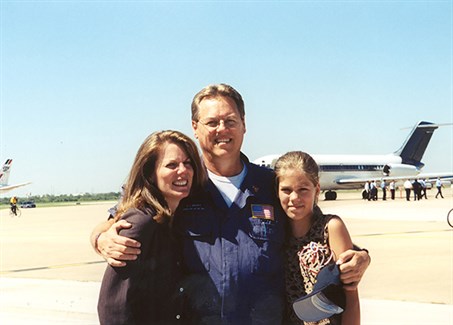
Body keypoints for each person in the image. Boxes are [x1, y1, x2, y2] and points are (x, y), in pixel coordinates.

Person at [91, 84, 370, 324]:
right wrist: (101, 237)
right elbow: (126, 215)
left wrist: (359, 256)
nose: (222, 129)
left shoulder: (271, 186)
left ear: (244, 124)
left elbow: (315, 230)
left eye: (230, 121)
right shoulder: (181, 186)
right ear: (195, 128)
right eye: (212, 122)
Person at [97, 130, 206, 324]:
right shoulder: (141, 221)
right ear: (150, 173)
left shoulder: (174, 215)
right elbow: (114, 304)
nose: (183, 170)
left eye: (188, 163)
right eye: (171, 165)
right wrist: (98, 237)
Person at [275, 151, 360, 325]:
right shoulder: (275, 234)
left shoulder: (330, 228)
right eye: (286, 190)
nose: (294, 198)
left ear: (317, 190)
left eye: (303, 189)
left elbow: (351, 296)